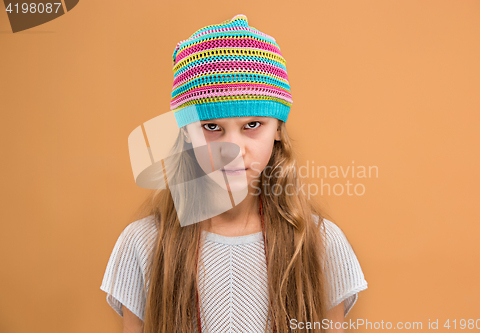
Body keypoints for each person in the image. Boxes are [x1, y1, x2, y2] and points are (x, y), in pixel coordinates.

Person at [100, 14, 368, 333]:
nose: (232, 149)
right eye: (212, 127)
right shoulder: (144, 244)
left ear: (278, 128)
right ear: (186, 134)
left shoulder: (319, 244)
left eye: (252, 125)